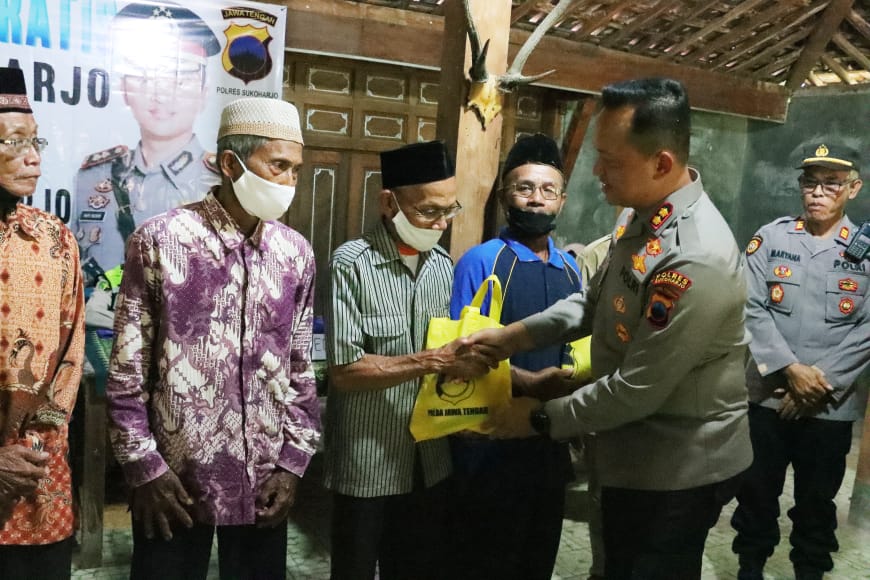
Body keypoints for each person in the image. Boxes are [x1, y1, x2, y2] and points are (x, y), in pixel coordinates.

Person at [463, 77, 753, 580]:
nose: (596, 171)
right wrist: (512, 337)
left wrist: (538, 418)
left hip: (674, 470)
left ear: (661, 163)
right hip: (625, 448)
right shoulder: (641, 219)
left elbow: (637, 389)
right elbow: (592, 302)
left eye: (610, 161)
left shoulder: (695, 256)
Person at [106, 96, 321, 579]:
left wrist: (292, 464)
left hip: (263, 479)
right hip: (174, 484)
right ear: (230, 163)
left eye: (296, 170)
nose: (289, 181)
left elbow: (300, 367)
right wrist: (144, 467)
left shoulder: (294, 254)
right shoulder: (161, 241)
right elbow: (127, 370)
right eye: (278, 165)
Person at [323, 140, 488, 580]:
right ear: (388, 203)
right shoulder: (351, 264)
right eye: (428, 211)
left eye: (448, 211)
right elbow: (345, 372)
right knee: (355, 569)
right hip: (367, 462)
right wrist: (429, 361)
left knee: (416, 566)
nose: (440, 223)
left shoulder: (442, 265)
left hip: (429, 460)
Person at [731, 142, 869, 580]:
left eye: (831, 184)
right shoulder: (771, 238)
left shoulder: (865, 252)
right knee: (756, 492)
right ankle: (750, 567)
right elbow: (751, 306)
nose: (818, 193)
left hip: (829, 405)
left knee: (816, 502)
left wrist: (817, 383)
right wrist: (792, 372)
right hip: (768, 396)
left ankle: (809, 571)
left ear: (853, 188)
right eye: (810, 183)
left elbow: (867, 328)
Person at [447, 133, 582, 580]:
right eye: (525, 188)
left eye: (547, 190)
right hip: (490, 443)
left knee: (537, 558)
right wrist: (530, 382)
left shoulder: (571, 270)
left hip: (549, 440)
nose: (536, 199)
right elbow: (463, 354)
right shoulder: (482, 261)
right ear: (506, 196)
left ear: (561, 201)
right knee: (484, 561)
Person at [0, 67, 85, 580]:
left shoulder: (53, 240)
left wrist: (29, 448)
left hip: (33, 477)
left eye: (36, 141)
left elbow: (70, 354)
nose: (33, 157)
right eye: (14, 142)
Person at [72, 1, 221, 287]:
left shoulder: (220, 183)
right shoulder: (92, 177)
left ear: (204, 92)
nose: (161, 95)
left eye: (179, 79)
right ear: (124, 88)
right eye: (144, 77)